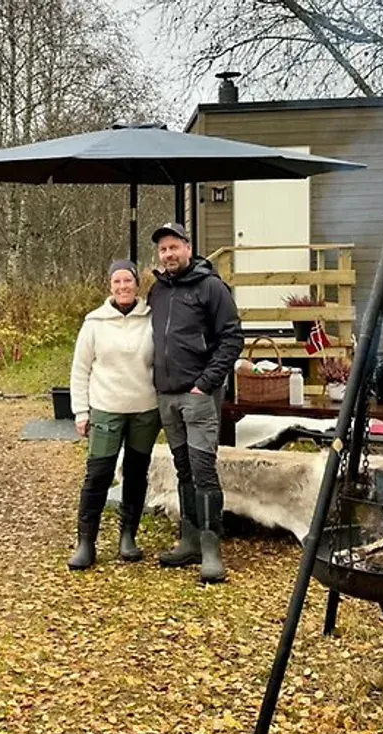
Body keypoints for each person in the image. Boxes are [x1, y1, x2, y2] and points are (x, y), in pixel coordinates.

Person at [147, 221, 245, 583]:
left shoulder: (211, 287)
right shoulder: (157, 291)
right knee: (182, 468)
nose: (168, 254)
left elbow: (233, 338)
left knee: (203, 470)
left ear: (188, 248)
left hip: (198, 397)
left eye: (174, 247)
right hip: (167, 395)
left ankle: (210, 549)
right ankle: (188, 540)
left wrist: (206, 383)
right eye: (163, 249)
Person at [67, 259, 159, 571]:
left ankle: (128, 537)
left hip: (145, 410)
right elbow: (80, 370)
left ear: (137, 284)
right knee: (98, 475)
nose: (123, 287)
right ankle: (86, 542)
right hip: (106, 409)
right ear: (110, 286)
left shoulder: (151, 318)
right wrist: (81, 411)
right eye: (117, 282)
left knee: (136, 473)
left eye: (128, 281)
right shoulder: (94, 322)